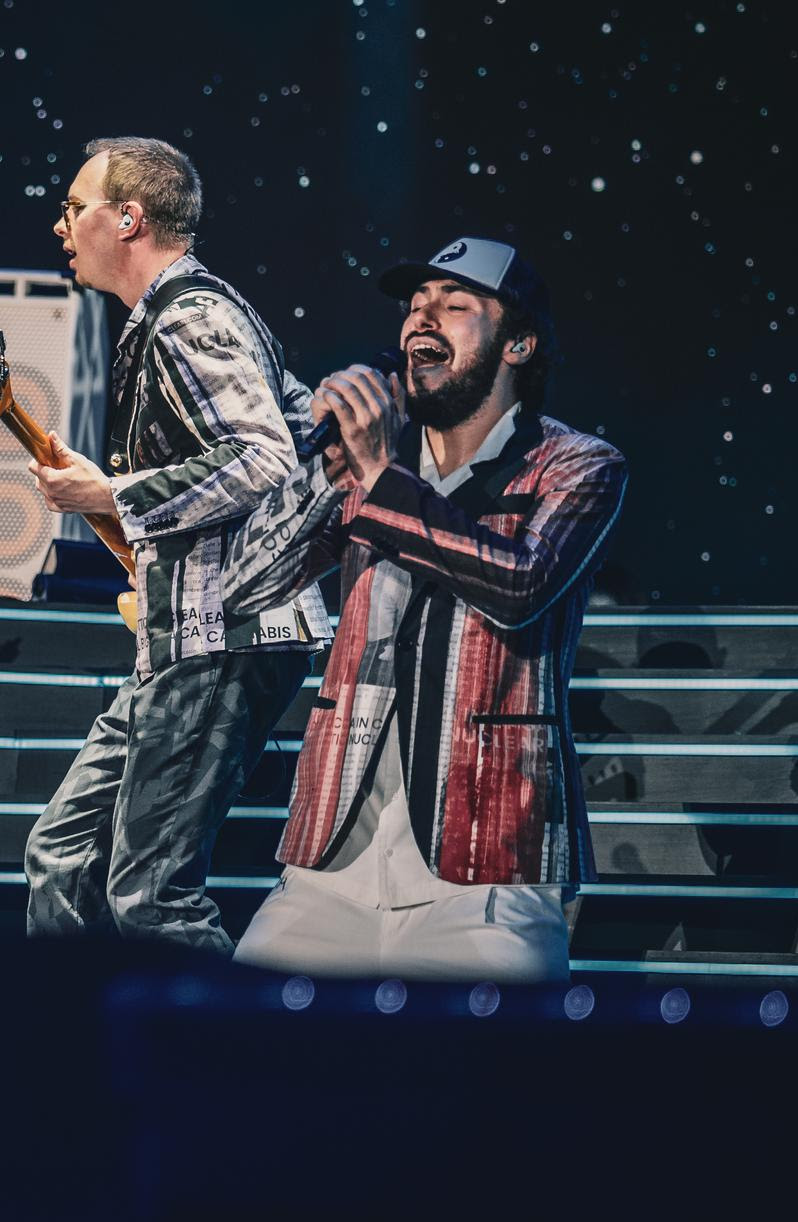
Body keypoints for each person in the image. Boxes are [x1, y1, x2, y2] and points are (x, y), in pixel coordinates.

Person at [226, 236, 627, 982]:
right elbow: (244, 585)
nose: (421, 320)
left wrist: (378, 475)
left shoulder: (576, 464)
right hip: (327, 870)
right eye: (415, 307)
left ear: (520, 344)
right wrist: (323, 468)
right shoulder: (370, 464)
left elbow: (520, 586)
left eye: (454, 304)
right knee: (219, 1066)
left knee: (490, 1097)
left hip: (487, 881)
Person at [23, 136, 331, 950]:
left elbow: (264, 456)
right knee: (61, 855)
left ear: (127, 218)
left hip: (221, 636)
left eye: (73, 207)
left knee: (152, 897)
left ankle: (223, 1064)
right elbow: (295, 427)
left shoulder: (189, 316)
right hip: (185, 636)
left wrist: (113, 493)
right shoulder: (184, 314)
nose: (61, 225)